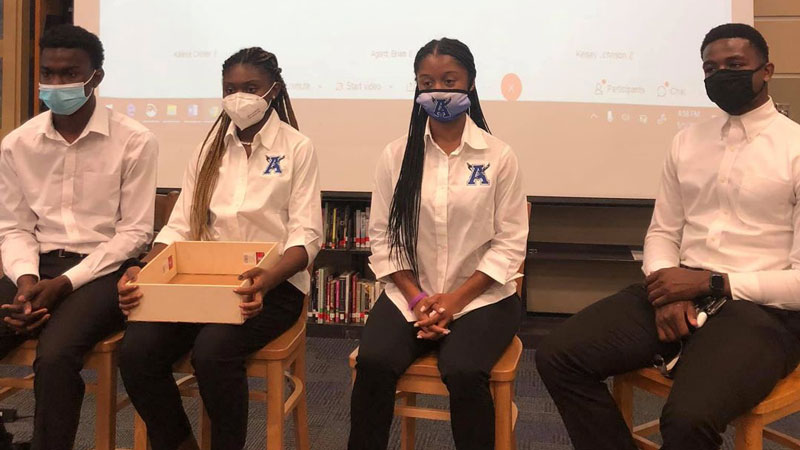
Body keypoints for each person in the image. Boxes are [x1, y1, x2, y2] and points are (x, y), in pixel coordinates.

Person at [536, 23, 800, 450]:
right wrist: (667, 289)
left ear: (766, 69)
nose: (722, 75)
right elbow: (662, 232)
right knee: (558, 357)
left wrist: (713, 283)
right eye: (710, 68)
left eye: (735, 65)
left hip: (761, 311)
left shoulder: (795, 149)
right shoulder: (687, 142)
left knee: (687, 419)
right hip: (679, 289)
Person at [117, 47, 322, 450]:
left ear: (273, 90)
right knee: (136, 351)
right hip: (203, 285)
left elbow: (307, 236)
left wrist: (267, 279)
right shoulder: (207, 149)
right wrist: (145, 268)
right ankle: (178, 443)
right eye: (231, 88)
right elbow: (178, 225)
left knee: (212, 353)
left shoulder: (297, 148)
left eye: (251, 87)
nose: (239, 97)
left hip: (273, 287)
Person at [347, 37, 528, 450]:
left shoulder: (499, 156)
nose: (438, 91)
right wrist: (417, 299)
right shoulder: (396, 156)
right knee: (374, 362)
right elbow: (383, 237)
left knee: (463, 371)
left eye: (449, 80)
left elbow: (510, 243)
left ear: (471, 83)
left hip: (483, 298)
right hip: (411, 296)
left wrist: (455, 301)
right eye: (426, 82)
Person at [0, 24, 158, 450]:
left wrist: (66, 283)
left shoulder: (135, 141)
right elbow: (14, 227)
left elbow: (135, 233)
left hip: (105, 272)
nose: (56, 84)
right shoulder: (19, 143)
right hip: (37, 268)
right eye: (48, 74)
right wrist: (26, 281)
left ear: (96, 77)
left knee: (54, 356)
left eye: (69, 74)